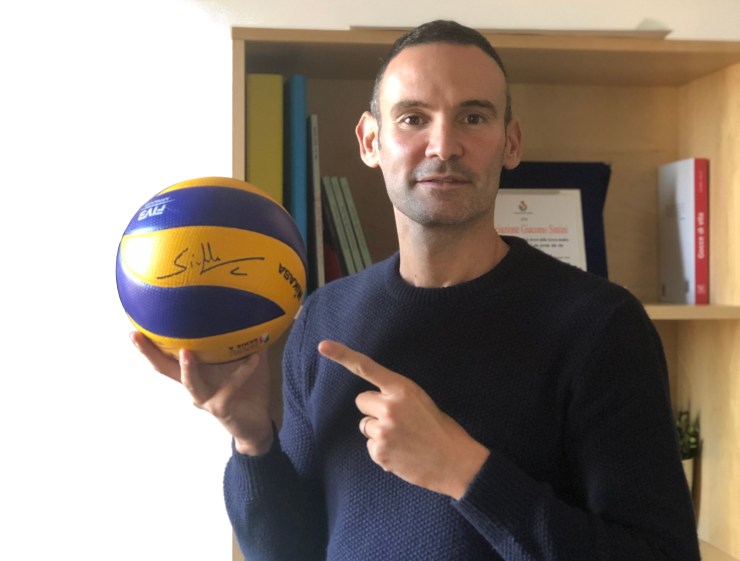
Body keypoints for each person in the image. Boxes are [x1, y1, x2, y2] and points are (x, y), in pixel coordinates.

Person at [132, 20, 701, 560]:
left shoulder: (599, 326)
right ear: (370, 140)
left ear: (511, 142)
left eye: (473, 117)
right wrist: (252, 438)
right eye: (412, 118)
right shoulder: (324, 318)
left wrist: (466, 473)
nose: (443, 145)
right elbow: (290, 551)